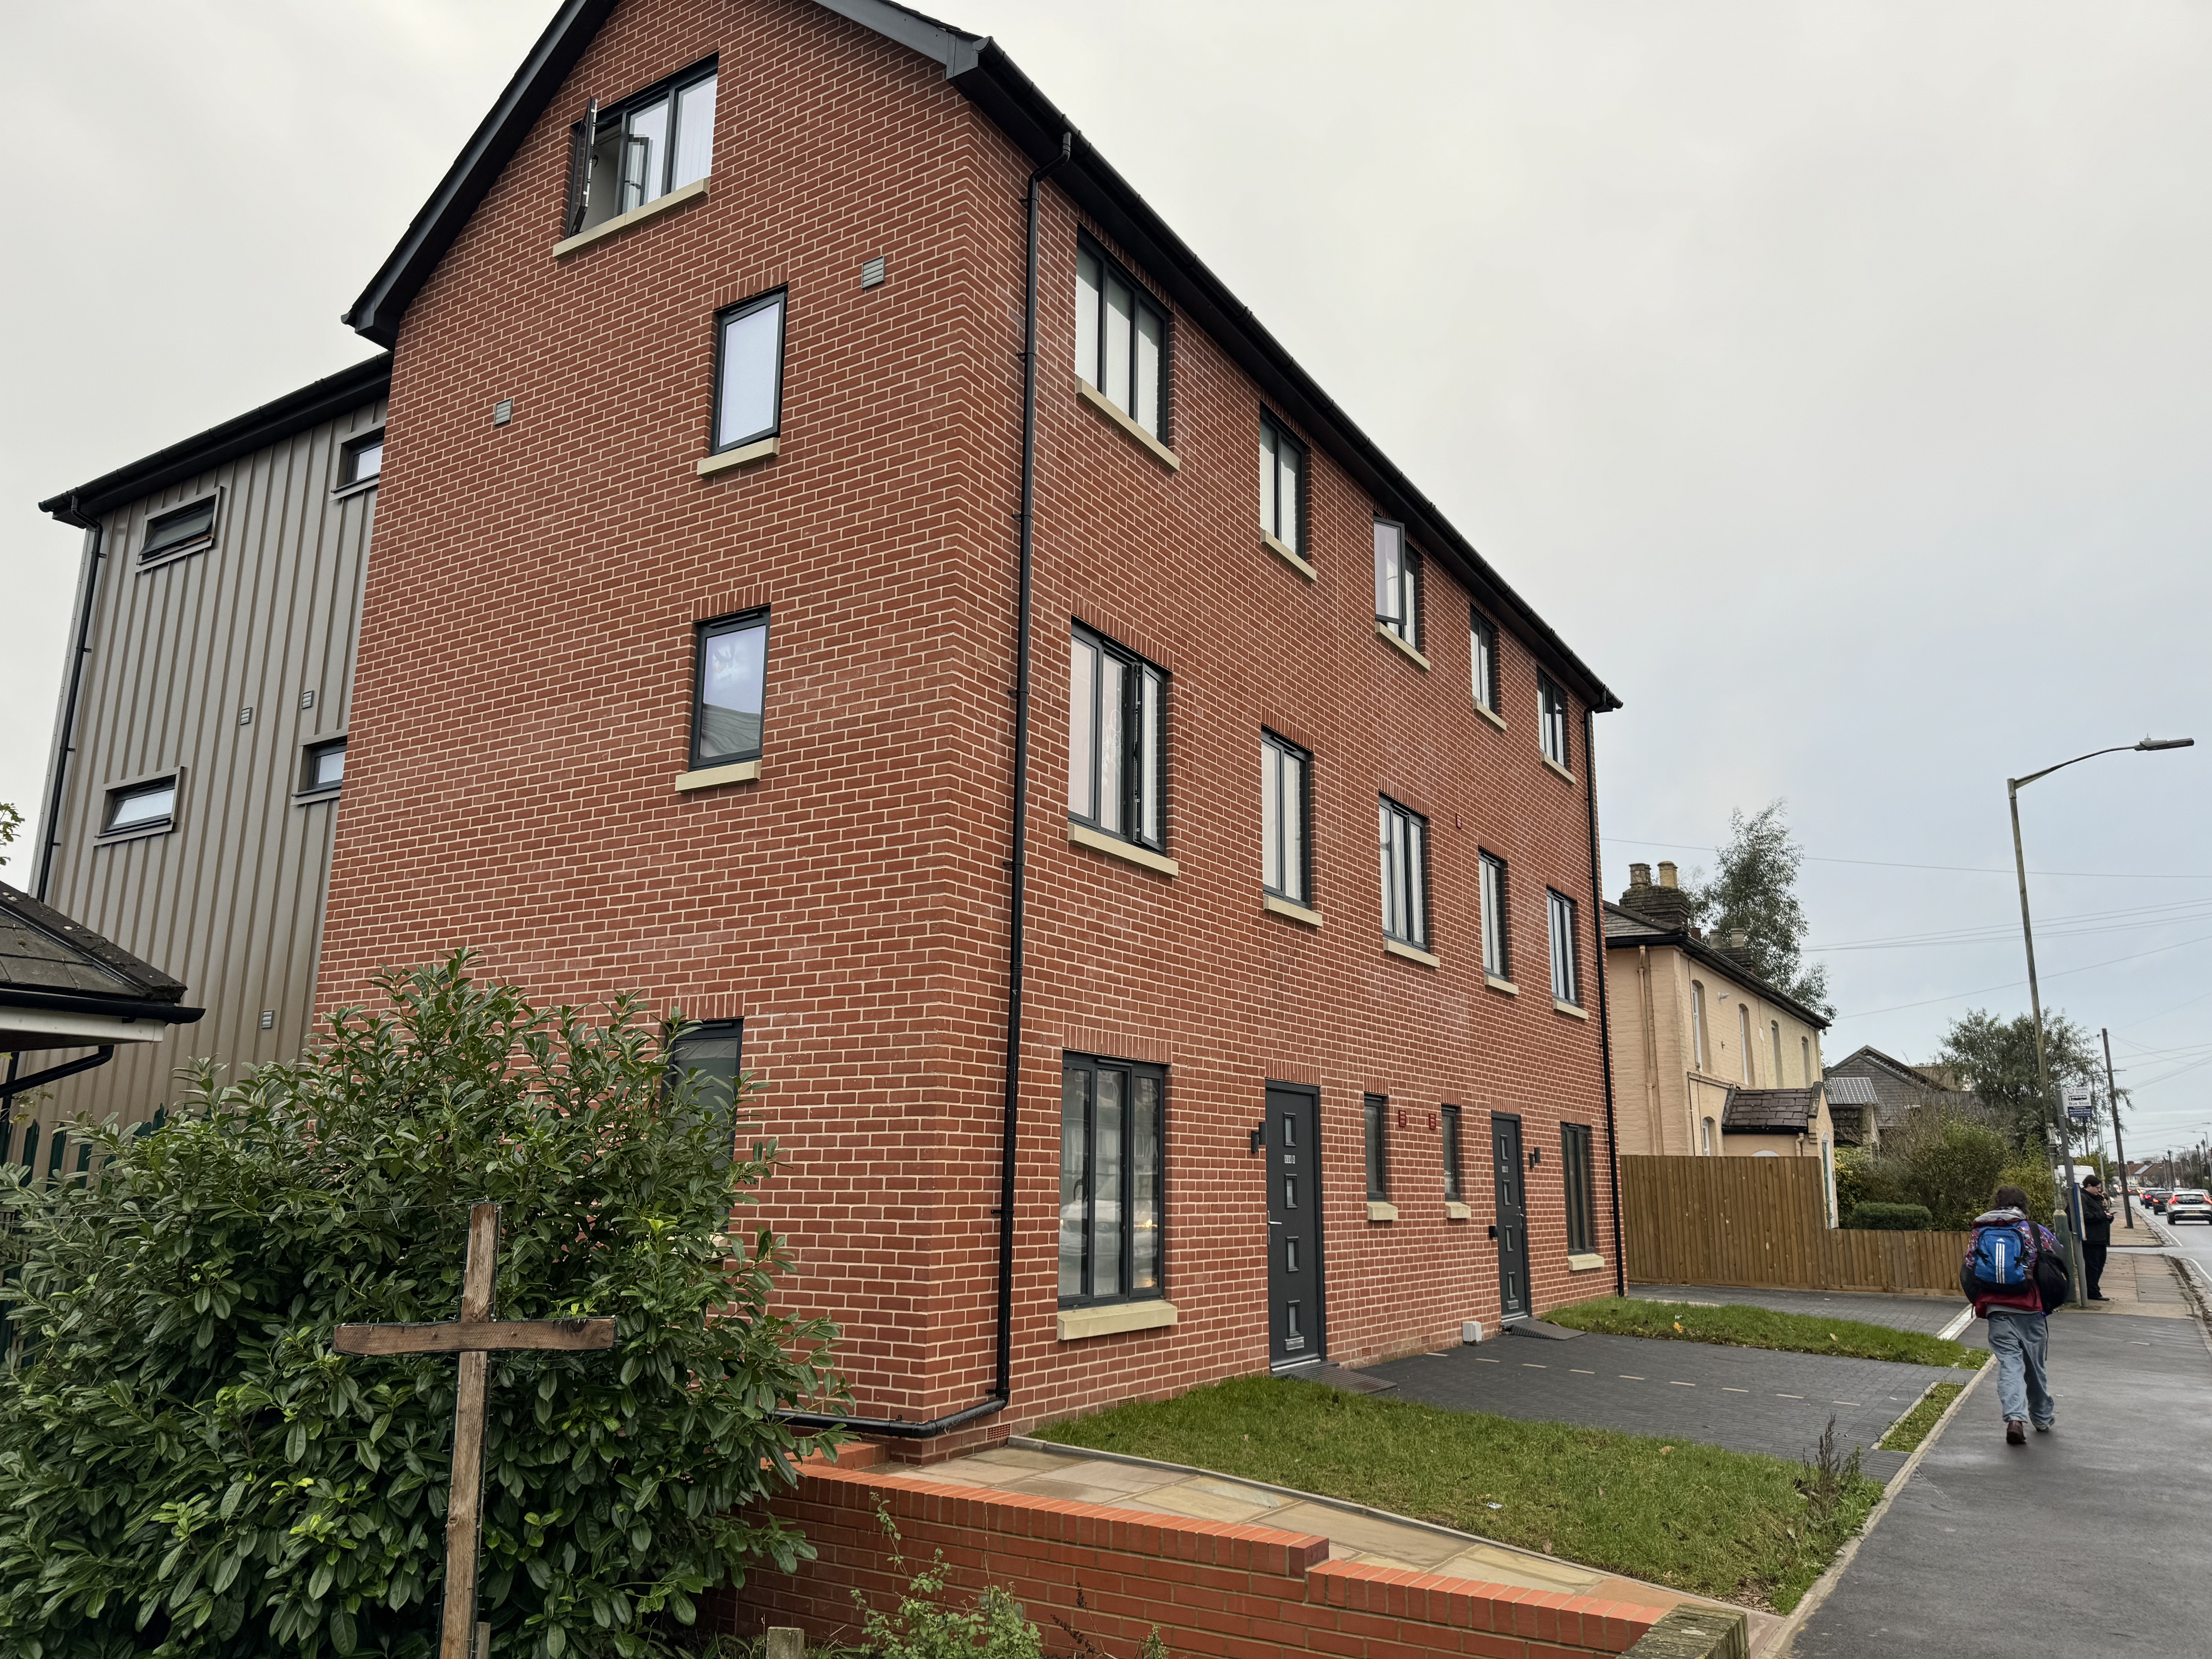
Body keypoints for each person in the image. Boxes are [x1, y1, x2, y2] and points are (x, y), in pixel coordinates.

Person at [1960, 1183, 2061, 1446]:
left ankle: (2015, 1419)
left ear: (1997, 1203)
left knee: (2010, 1364)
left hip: (1997, 1309)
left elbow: (1969, 1269)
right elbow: (2058, 1257)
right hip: (2030, 1309)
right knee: (2035, 1367)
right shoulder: (2035, 1231)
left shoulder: (1980, 1231)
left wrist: (1981, 1302)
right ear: (2024, 1204)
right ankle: (2041, 1417)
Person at [2078, 1175, 2112, 1300]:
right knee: (2093, 1267)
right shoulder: (2083, 1198)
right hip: (2091, 1239)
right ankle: (2092, 1292)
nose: (2099, 1190)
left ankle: (2094, 1289)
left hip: (2101, 1239)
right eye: (2097, 1188)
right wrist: (2103, 1215)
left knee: (2100, 1265)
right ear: (2089, 1186)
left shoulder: (2097, 1199)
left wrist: (2109, 1217)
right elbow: (2086, 1216)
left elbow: (2102, 1213)